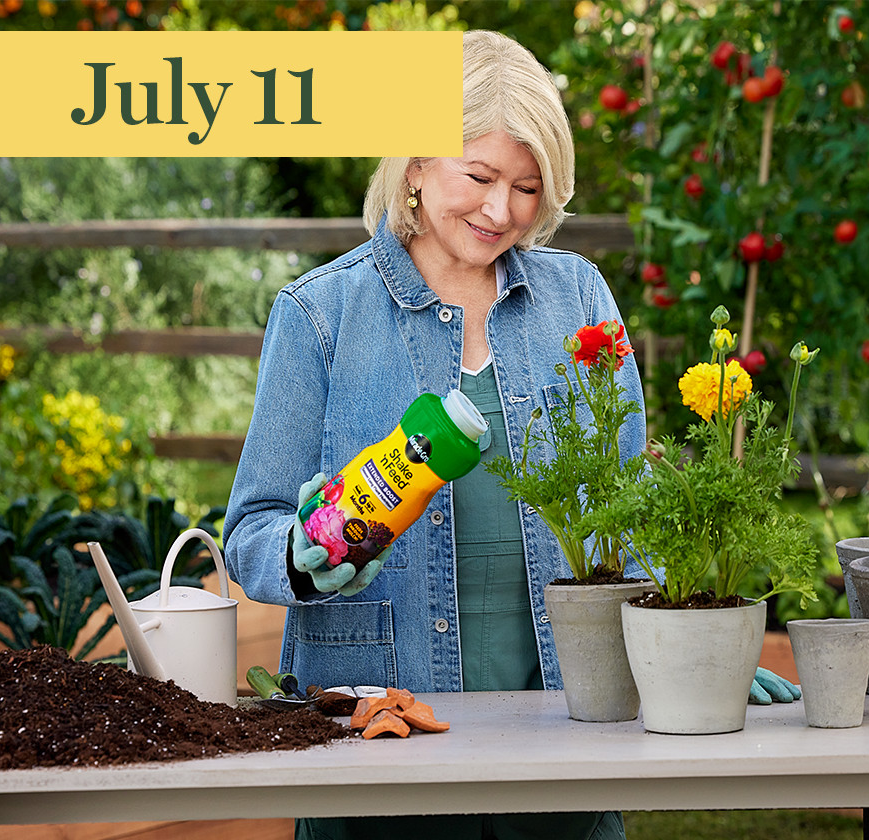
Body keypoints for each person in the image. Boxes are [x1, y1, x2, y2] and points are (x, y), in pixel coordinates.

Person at [224, 29, 796, 840]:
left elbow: (633, 510)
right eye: (480, 176)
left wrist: (693, 647)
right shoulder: (320, 313)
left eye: (527, 187)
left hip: (565, 743)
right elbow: (249, 533)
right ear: (416, 165)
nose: (501, 211)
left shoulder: (578, 299)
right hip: (375, 754)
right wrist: (299, 556)